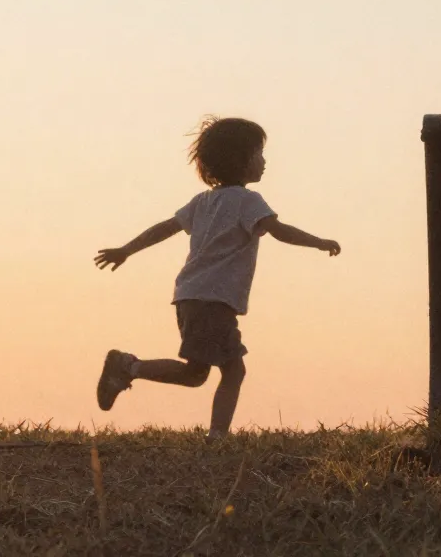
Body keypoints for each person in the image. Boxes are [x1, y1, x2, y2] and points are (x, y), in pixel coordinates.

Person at [92, 116, 341, 436]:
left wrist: (126, 250)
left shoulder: (203, 202)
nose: (264, 161)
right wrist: (319, 242)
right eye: (259, 153)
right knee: (217, 372)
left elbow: (165, 228)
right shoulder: (247, 201)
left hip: (191, 296)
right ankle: (136, 373)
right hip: (213, 300)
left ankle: (137, 374)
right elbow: (279, 231)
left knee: (212, 372)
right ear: (241, 159)